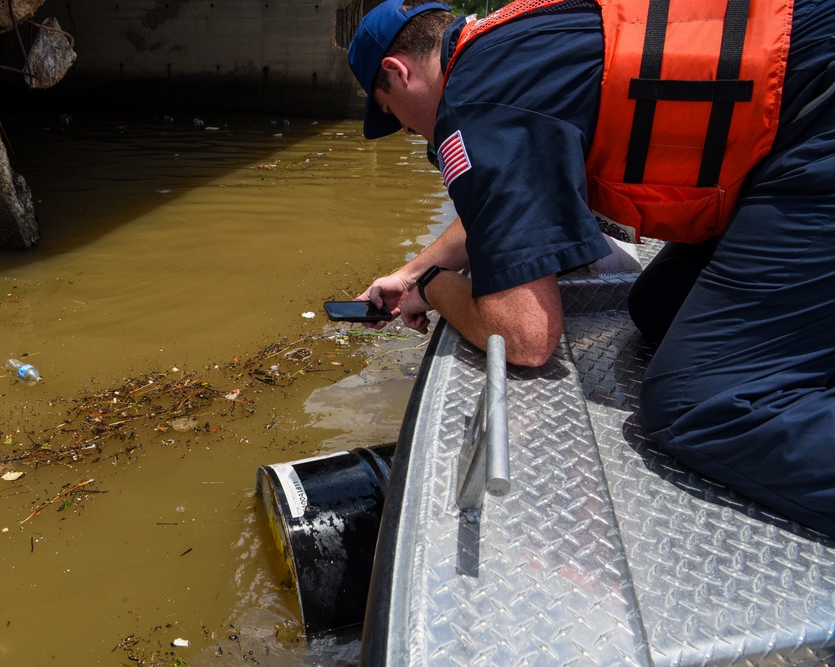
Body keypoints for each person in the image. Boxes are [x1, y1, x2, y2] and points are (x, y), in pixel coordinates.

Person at [347, 0, 835, 535]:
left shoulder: (474, 105)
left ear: (397, 72)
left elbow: (526, 337)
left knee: (697, 402)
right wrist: (413, 272)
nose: (407, 132)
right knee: (656, 306)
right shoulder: (507, 47)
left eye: (390, 112)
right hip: (785, 123)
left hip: (813, 129)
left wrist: (436, 288)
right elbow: (507, 206)